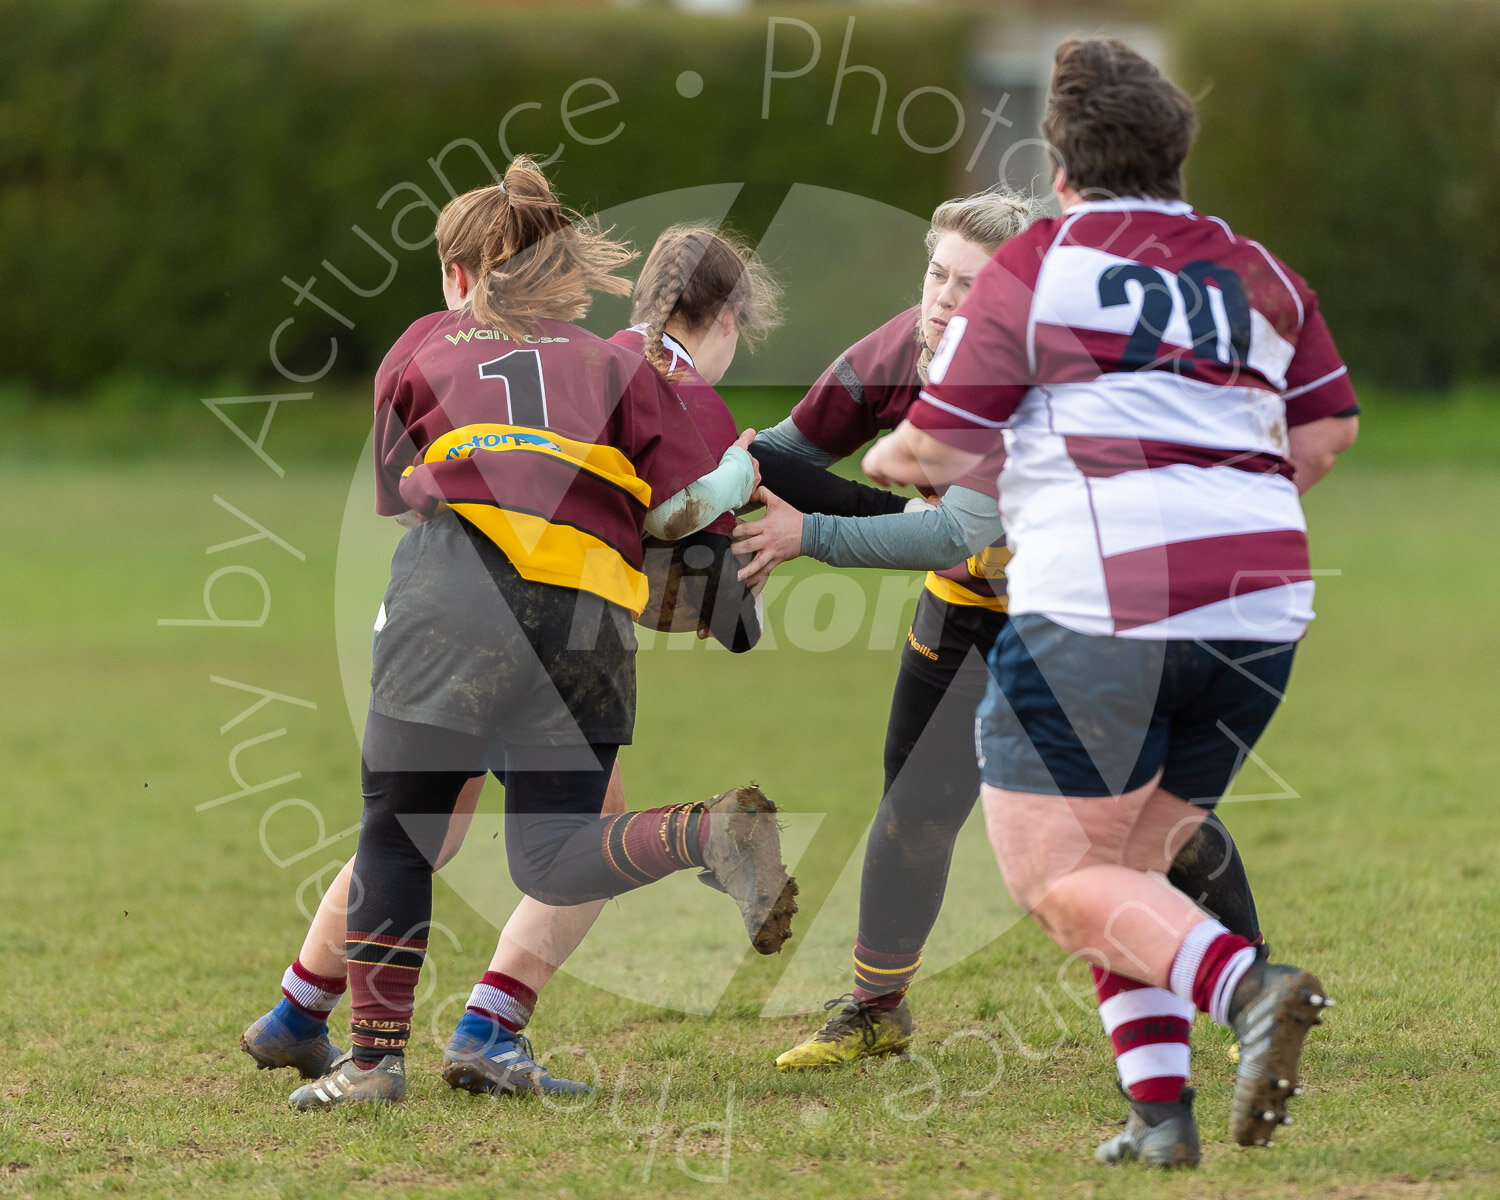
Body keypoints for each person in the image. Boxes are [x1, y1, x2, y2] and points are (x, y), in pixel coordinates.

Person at [863, 37, 1358, 1167]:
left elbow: (938, 445)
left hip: (1103, 608)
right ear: (1180, 152)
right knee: (1124, 866)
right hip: (1262, 607)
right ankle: (1158, 1116)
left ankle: (1249, 989)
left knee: (1055, 872)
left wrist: (890, 457)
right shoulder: (1258, 269)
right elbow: (1327, 432)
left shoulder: (1038, 262)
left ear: (1061, 164)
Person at [280, 160, 798, 1112]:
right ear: (566, 278)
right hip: (587, 622)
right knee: (560, 849)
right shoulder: (615, 365)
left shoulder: (426, 341)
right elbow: (681, 511)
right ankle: (704, 833)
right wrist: (734, 482)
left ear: (457, 277)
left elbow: (398, 490)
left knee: (400, 833)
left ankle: (373, 1065)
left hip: (456, 599)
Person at [732, 188, 1267, 1075]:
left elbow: (958, 530)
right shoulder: (907, 341)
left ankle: (1255, 987)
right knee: (914, 812)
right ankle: (876, 1010)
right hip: (973, 604)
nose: (944, 300)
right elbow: (787, 451)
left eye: (970, 284)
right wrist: (697, 475)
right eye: (937, 274)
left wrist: (805, 534)